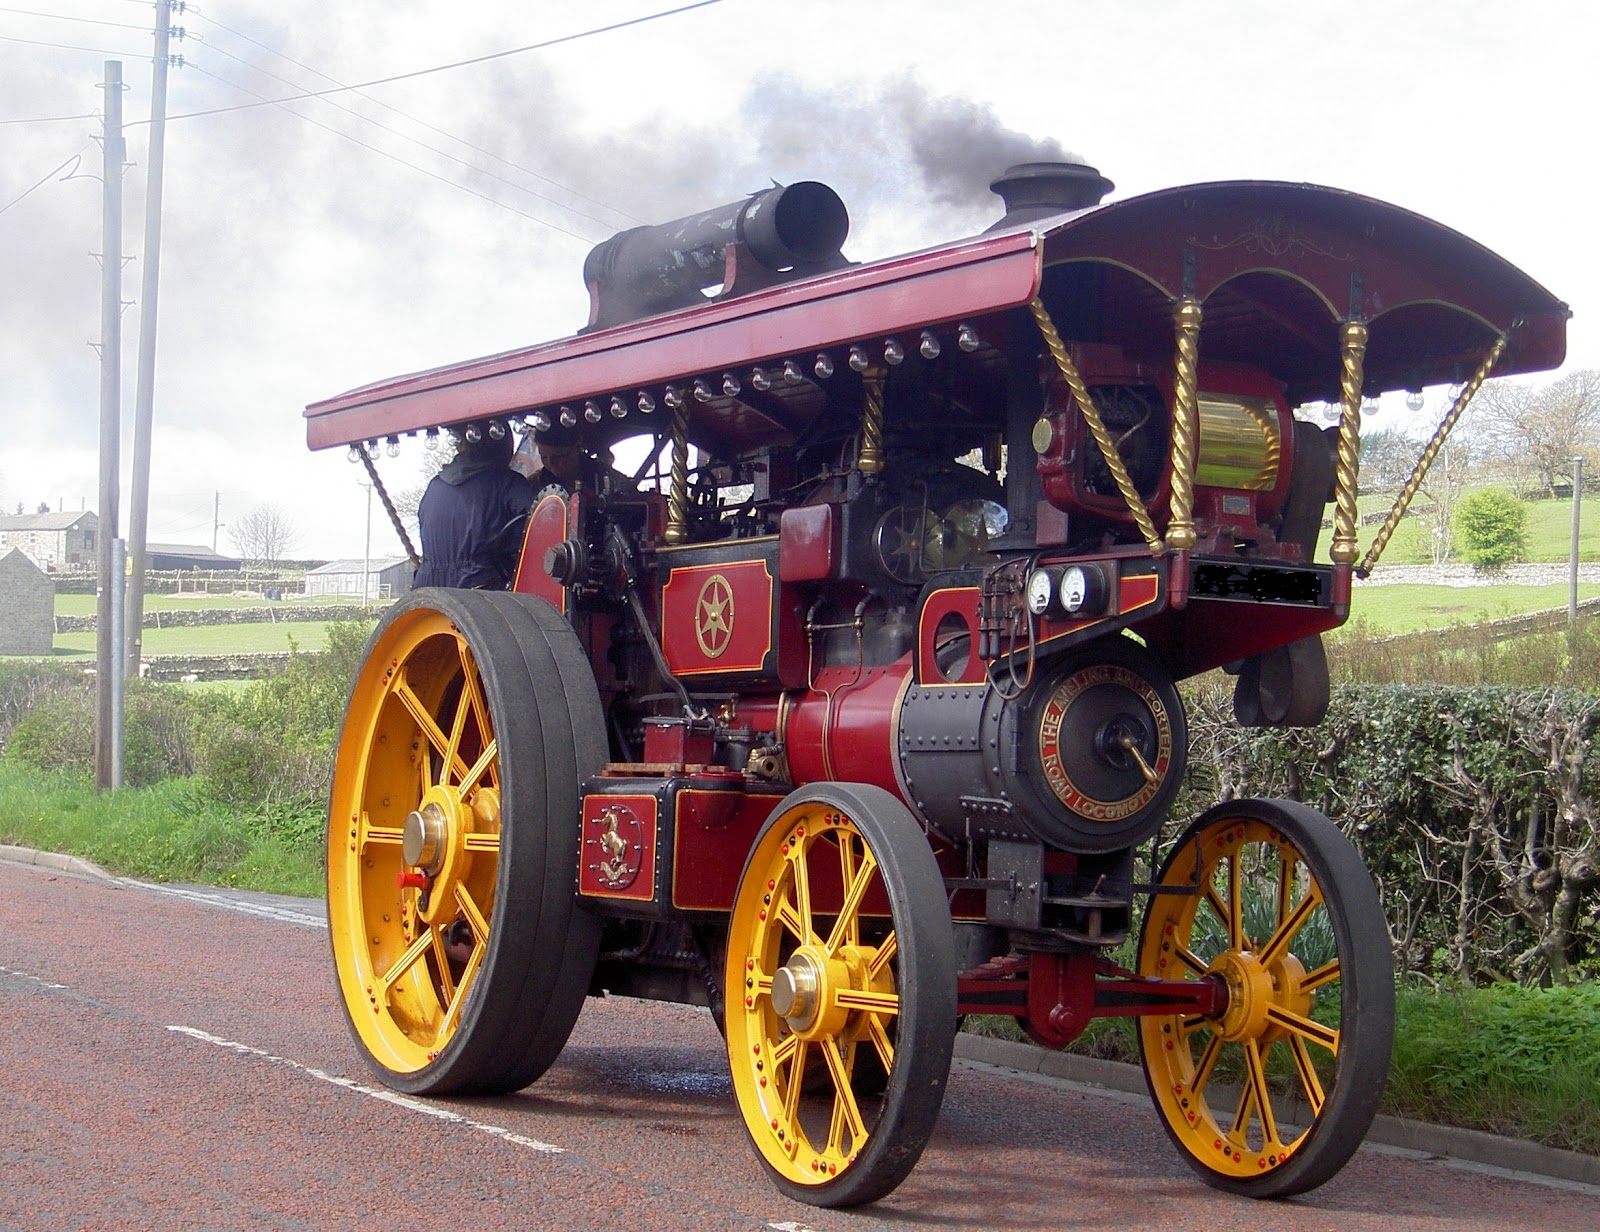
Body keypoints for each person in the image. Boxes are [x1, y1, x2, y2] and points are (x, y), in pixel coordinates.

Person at [413, 423, 535, 589]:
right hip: (481, 592)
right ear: (503, 447)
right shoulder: (508, 484)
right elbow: (539, 530)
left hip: (429, 593)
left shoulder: (434, 486)